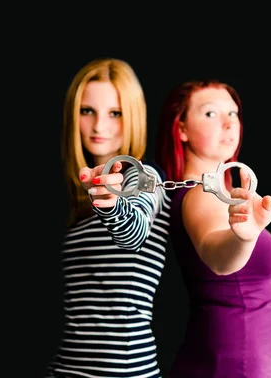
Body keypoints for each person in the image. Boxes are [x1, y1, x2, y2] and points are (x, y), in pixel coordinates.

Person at [45, 58, 170, 378]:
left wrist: (112, 205)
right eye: (87, 111)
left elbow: (135, 233)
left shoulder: (144, 177)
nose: (99, 126)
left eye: (115, 113)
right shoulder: (73, 190)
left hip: (124, 372)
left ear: (133, 117)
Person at [155, 79, 271, 377]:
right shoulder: (199, 196)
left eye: (233, 113)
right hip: (229, 366)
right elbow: (218, 256)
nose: (228, 123)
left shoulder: (216, 194)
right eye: (211, 114)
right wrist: (243, 237)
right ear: (181, 129)